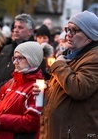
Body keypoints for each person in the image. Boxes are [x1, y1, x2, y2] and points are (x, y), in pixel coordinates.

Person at [33, 10, 98, 139]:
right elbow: (67, 84)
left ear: (90, 36)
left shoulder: (94, 58)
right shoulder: (71, 55)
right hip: (58, 131)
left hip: (76, 133)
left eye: (75, 30)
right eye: (68, 29)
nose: (68, 34)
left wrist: (59, 65)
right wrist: (48, 87)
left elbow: (79, 88)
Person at [0, 41, 53, 139]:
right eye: (14, 58)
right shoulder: (11, 82)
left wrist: (0, 121)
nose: (15, 62)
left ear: (31, 59)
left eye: (20, 58)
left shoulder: (37, 87)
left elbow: (32, 122)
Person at [0, 13, 35, 95]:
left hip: (17, 95)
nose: (16, 30)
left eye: (20, 27)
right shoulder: (7, 48)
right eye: (15, 27)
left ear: (30, 32)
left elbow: (22, 76)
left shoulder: (33, 52)